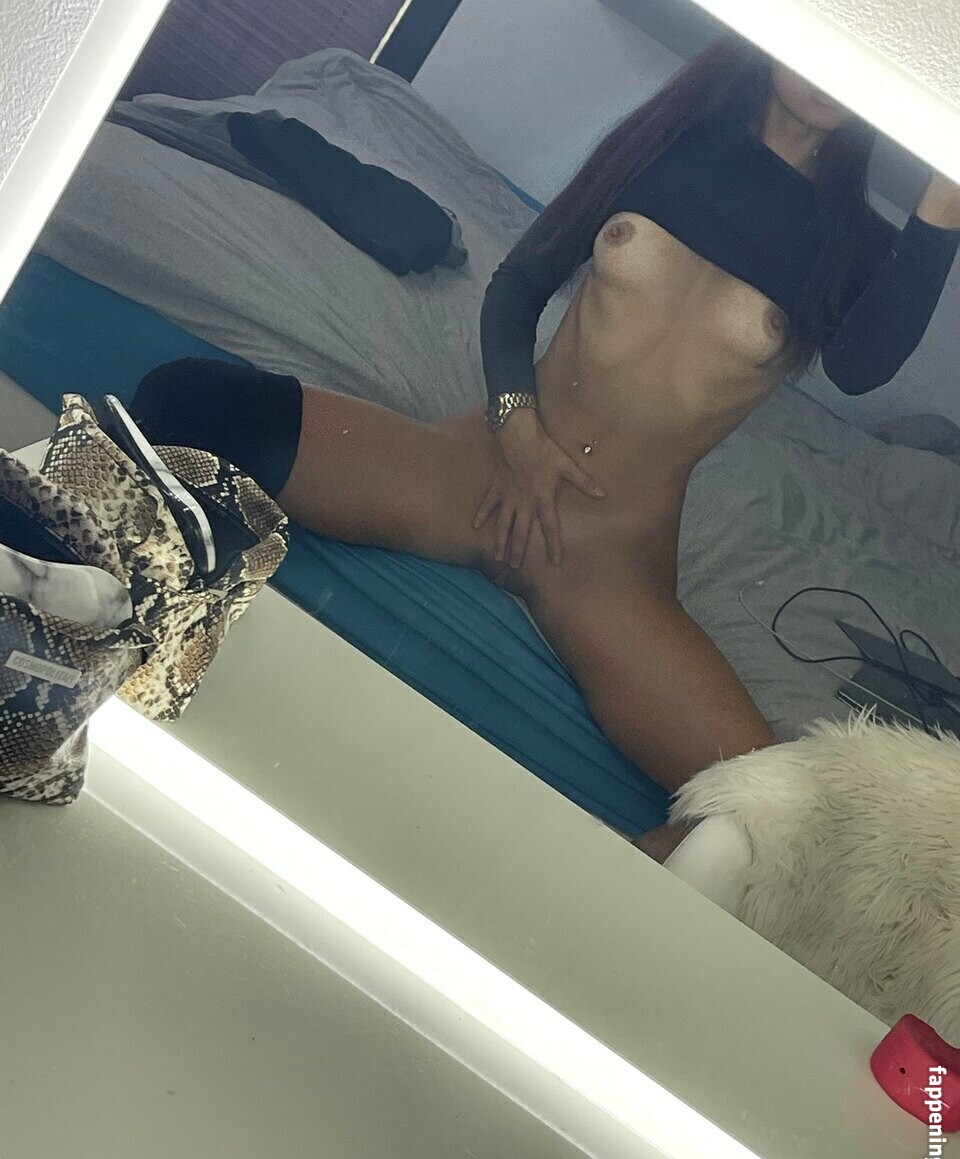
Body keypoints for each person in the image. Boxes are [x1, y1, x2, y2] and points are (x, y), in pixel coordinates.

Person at [130, 35, 960, 859]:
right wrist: (518, 428)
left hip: (608, 559)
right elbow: (518, 286)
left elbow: (862, 368)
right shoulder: (672, 140)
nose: (825, 73)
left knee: (771, 820)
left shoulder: (853, 244)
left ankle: (541, 906)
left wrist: (944, 184)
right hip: (482, 469)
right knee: (188, 401)